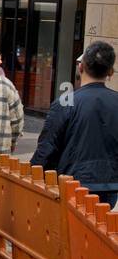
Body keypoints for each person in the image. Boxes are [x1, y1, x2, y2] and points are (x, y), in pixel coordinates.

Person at [32, 42, 118, 207]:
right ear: (110, 72)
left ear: (81, 67)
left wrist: (32, 174)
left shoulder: (66, 102)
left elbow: (47, 148)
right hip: (110, 183)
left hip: (73, 182)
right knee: (101, 227)